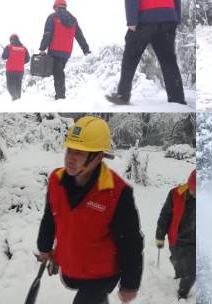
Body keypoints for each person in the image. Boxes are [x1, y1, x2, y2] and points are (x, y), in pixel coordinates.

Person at [36, 116, 143, 304]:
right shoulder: (56, 180)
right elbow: (50, 217)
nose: (70, 158)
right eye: (69, 149)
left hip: (102, 274)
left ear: (99, 156)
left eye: (80, 153)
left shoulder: (117, 192)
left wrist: (130, 283)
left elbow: (131, 242)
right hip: (72, 268)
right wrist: (44, 247)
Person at [106, 0, 186, 106]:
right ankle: (178, 99)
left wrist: (132, 20)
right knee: (168, 60)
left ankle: (122, 95)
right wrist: (176, 18)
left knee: (130, 56)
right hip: (168, 18)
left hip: (144, 19)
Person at [39, 0, 90, 100]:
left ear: (56, 7)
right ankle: (60, 95)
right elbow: (80, 36)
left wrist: (42, 48)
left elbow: (47, 34)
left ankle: (60, 97)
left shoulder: (52, 17)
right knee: (58, 71)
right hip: (66, 53)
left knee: (58, 73)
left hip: (54, 51)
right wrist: (85, 49)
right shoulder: (73, 20)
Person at [156, 169, 196, 300]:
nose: (196, 193)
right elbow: (165, 216)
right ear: (189, 185)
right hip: (176, 240)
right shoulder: (175, 194)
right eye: (193, 190)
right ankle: (178, 275)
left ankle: (182, 294)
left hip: (194, 243)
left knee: (191, 273)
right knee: (176, 262)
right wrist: (160, 236)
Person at [1, 33, 30, 101]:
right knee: (18, 85)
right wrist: (20, 62)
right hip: (20, 71)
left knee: (10, 86)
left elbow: (3, 57)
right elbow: (28, 59)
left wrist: (5, 51)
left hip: (10, 70)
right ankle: (18, 100)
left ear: (11, 40)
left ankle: (15, 98)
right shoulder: (24, 48)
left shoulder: (8, 47)